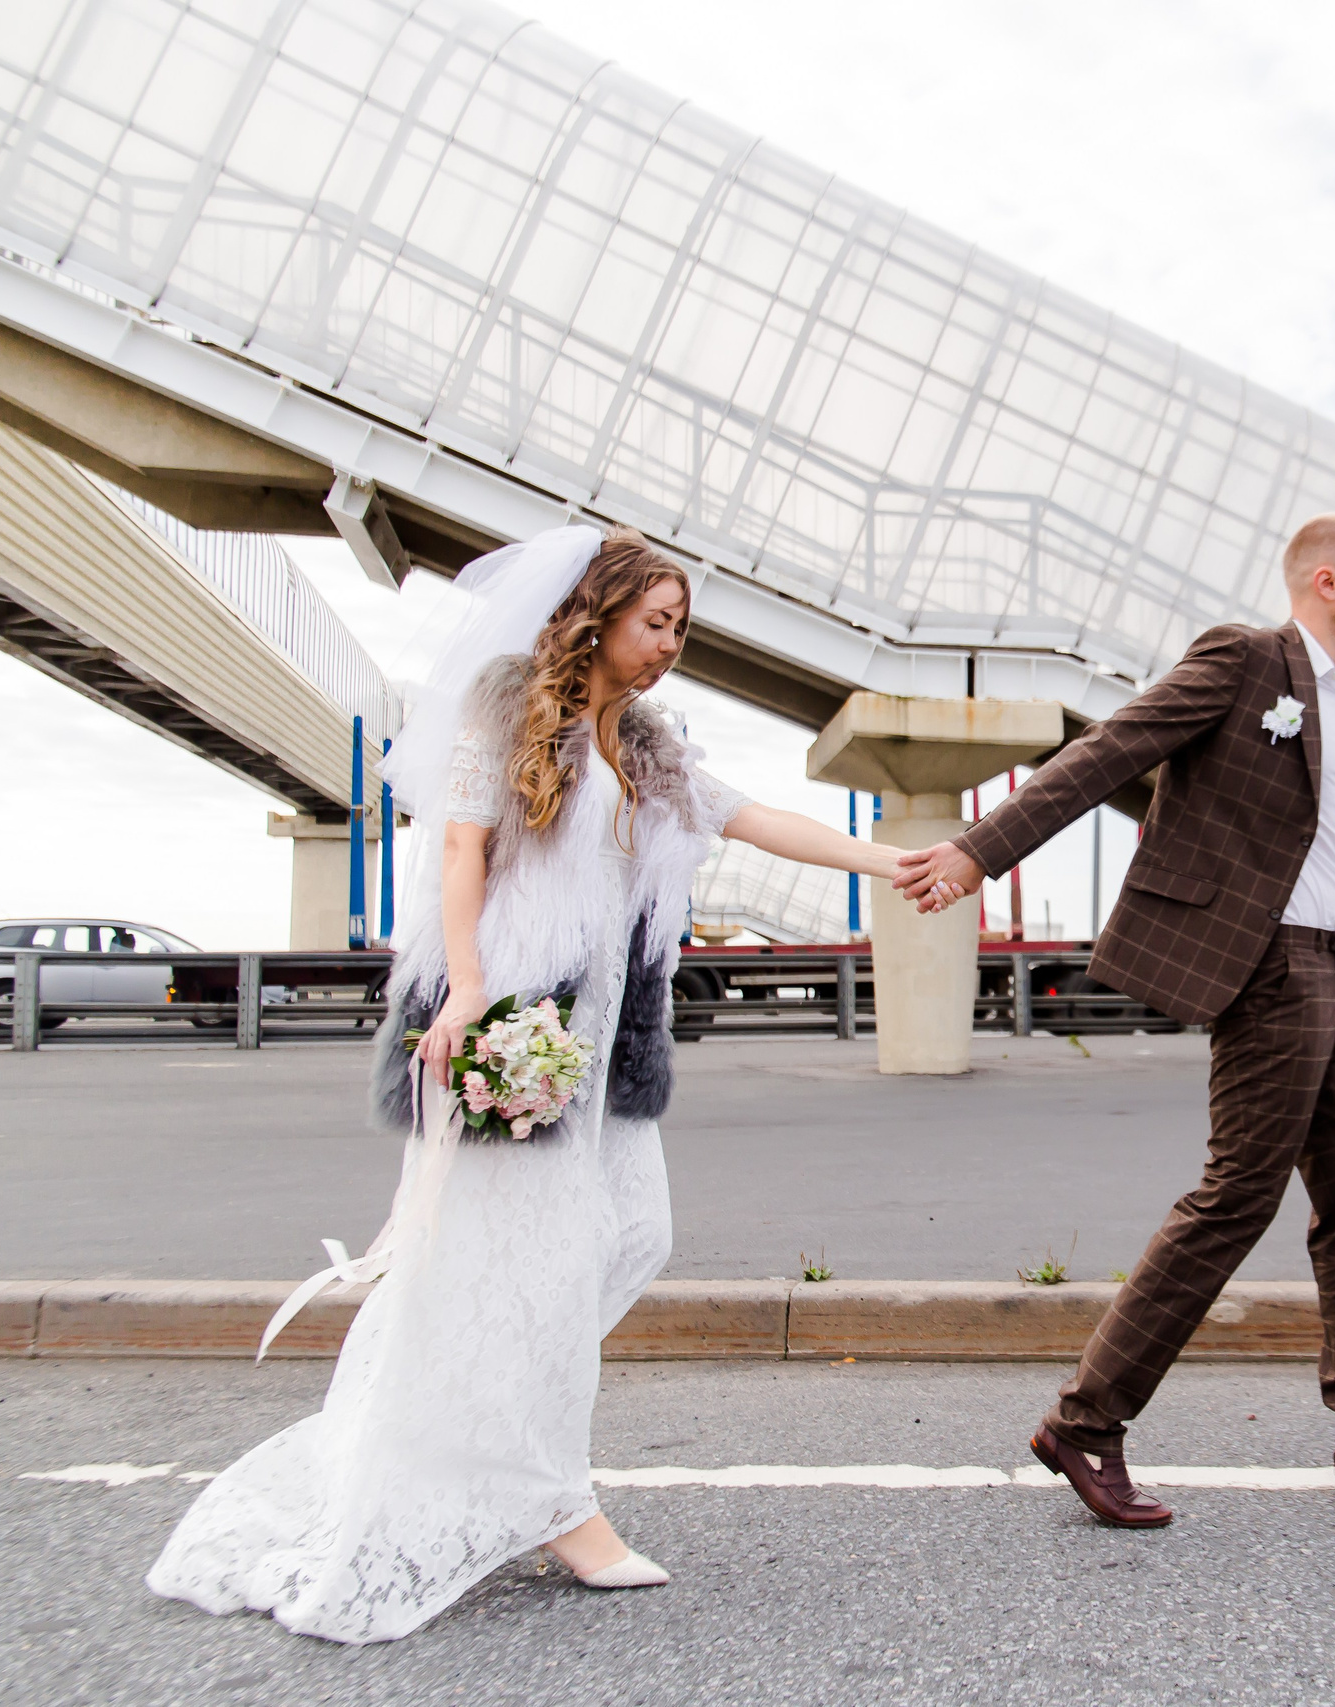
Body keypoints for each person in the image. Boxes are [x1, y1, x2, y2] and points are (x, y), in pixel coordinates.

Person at [148, 526, 899, 1643]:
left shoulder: (646, 745)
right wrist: (462, 990)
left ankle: (495, 1444)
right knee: (526, 1271)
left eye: (682, 629)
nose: (671, 647)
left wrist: (902, 864)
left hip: (599, 1052)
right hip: (512, 1030)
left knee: (628, 1234)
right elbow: (460, 851)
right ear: (595, 615)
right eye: (657, 623)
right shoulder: (507, 710)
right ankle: (557, 1500)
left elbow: (752, 820)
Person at [895, 514, 1335, 1526]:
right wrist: (978, 851)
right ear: (1326, 581)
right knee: (1236, 1197)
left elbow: (1324, 858)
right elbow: (1110, 750)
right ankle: (1084, 1423)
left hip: (1325, 973)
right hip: (1261, 971)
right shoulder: (1245, 660)